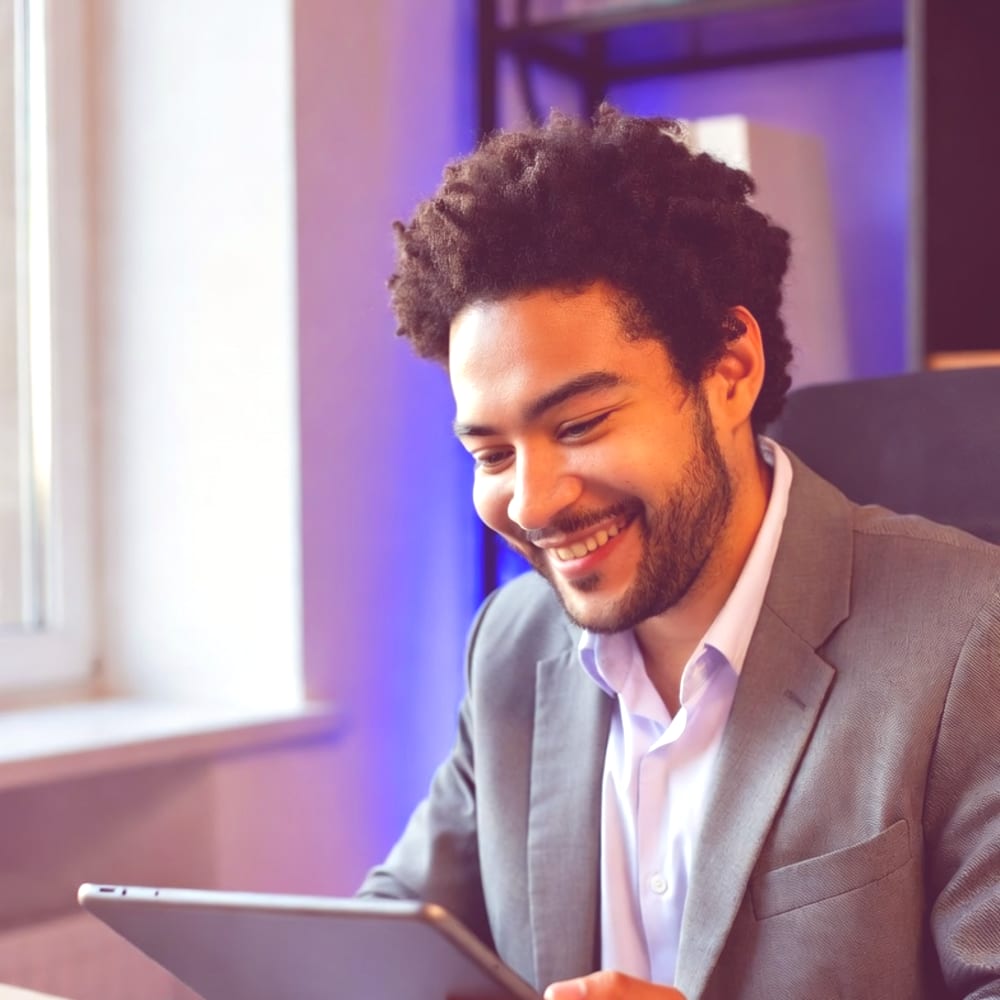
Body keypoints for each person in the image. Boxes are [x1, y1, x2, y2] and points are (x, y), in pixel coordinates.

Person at [358, 105, 1000, 999]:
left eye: (579, 424)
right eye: (492, 454)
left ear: (729, 369)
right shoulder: (512, 644)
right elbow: (399, 934)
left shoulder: (969, 639)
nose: (533, 501)